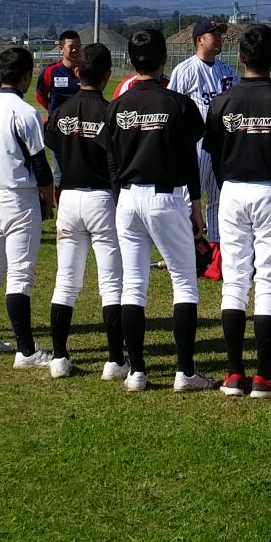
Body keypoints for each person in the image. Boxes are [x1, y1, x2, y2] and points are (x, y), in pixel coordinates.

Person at [99, 27, 215, 392]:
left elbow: (112, 161)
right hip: (166, 196)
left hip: (128, 198)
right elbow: (189, 160)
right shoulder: (178, 104)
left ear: (132, 63)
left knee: (132, 285)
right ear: (164, 60)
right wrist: (196, 205)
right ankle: (185, 372)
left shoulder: (117, 105)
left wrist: (121, 198)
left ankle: (136, 372)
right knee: (184, 283)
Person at [202, 24, 271, 397]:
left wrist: (227, 183)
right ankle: (264, 374)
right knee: (269, 281)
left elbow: (212, 154)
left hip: (232, 190)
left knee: (234, 281)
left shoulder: (221, 103)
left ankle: (234, 373)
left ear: (241, 58)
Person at [0, 47, 58, 369]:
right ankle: (26, 351)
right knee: (20, 274)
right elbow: (41, 165)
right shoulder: (26, 112)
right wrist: (48, 202)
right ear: (25, 75)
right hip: (19, 198)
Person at [43, 42, 126, 379]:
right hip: (102, 199)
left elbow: (52, 142)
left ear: (77, 72)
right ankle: (115, 361)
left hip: (69, 200)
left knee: (66, 281)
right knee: (111, 283)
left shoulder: (61, 112)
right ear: (107, 75)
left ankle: (60, 357)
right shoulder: (111, 111)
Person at [167, 19, 236, 278]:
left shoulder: (228, 71)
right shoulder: (184, 70)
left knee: (219, 199)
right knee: (188, 199)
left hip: (221, 145)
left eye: (220, 34)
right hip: (194, 144)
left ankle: (217, 256)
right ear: (199, 39)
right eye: (213, 34)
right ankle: (189, 252)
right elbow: (173, 109)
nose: (219, 37)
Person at [37, 30, 85, 111]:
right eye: (71, 47)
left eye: (77, 46)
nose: (75, 50)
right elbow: (40, 96)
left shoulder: (86, 70)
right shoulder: (50, 71)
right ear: (61, 49)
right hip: (58, 121)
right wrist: (54, 111)